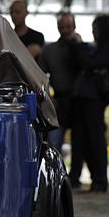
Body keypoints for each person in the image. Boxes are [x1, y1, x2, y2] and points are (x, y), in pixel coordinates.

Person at [69, 15, 109, 193]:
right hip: (84, 99)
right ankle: (93, 179)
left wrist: (80, 45)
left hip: (95, 100)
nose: (93, 32)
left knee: (96, 139)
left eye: (96, 28)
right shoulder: (98, 49)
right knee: (81, 139)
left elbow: (88, 63)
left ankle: (100, 180)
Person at [37, 12, 79, 151]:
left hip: (79, 102)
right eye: (62, 27)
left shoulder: (81, 48)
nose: (65, 31)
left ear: (74, 26)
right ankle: (57, 171)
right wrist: (48, 93)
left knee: (80, 144)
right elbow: (39, 74)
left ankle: (75, 173)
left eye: (68, 26)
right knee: (54, 142)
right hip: (59, 101)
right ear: (58, 28)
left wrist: (78, 44)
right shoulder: (50, 50)